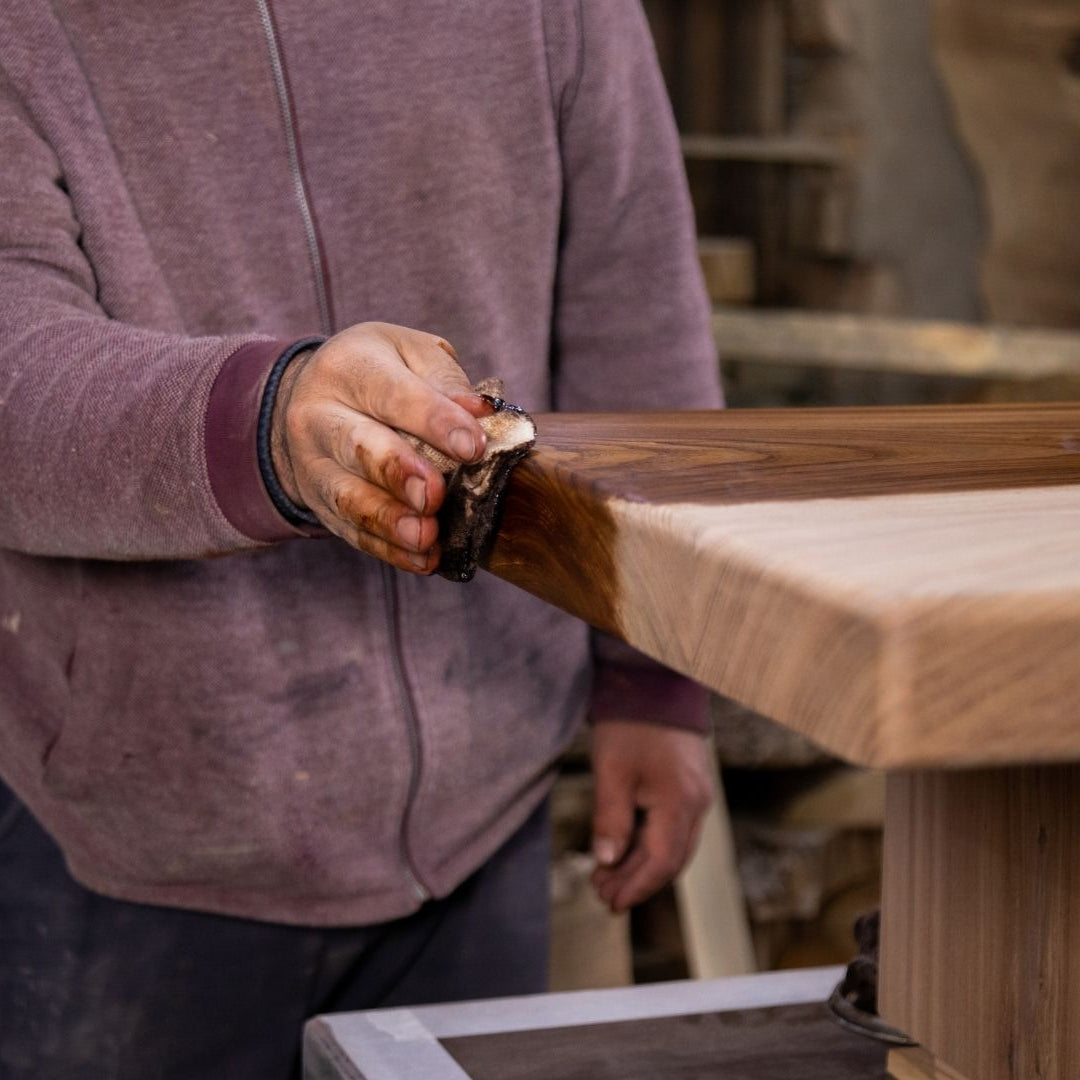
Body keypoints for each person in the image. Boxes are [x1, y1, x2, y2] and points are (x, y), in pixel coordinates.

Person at [0, 2, 723, 1077]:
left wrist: (654, 678)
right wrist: (272, 424)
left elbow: (634, 305)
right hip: (126, 845)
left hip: (491, 811)